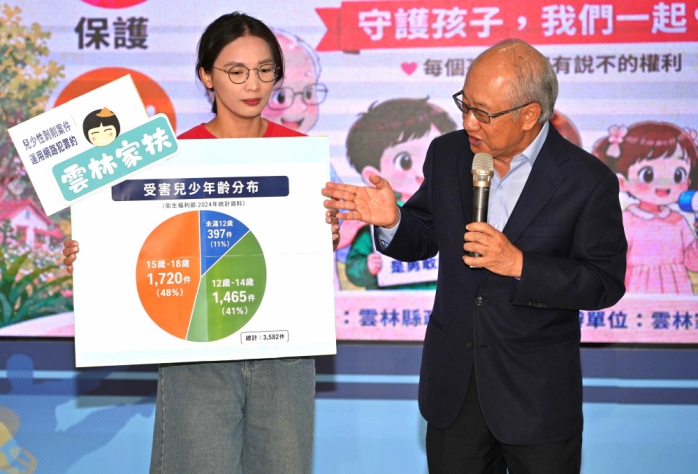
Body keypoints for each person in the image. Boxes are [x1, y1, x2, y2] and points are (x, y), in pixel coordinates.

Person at [323, 39, 627, 473]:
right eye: (465, 105)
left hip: (536, 399)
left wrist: (518, 264)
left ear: (529, 115)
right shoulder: (448, 154)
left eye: (483, 113)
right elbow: (424, 235)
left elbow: (603, 282)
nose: (469, 122)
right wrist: (393, 221)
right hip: (454, 389)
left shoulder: (587, 180)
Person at [63, 12, 339, 474]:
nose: (253, 84)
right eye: (236, 71)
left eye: (265, 70)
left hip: (283, 351)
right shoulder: (170, 157)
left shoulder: (303, 156)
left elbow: (311, 248)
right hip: (196, 350)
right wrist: (89, 250)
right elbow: (131, 241)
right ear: (206, 76)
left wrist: (324, 235)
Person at [344, 98, 455, 289]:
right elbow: (355, 265)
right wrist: (366, 268)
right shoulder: (377, 215)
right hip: (393, 302)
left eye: (432, 157)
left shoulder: (452, 209)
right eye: (405, 161)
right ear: (372, 175)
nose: (421, 172)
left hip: (441, 301)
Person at [592, 121, 698, 294]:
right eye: (648, 174)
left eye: (678, 174)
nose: (665, 183)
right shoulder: (626, 221)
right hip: (637, 288)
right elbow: (610, 261)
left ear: (688, 180)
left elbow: (693, 263)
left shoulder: (678, 221)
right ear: (622, 181)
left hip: (677, 288)